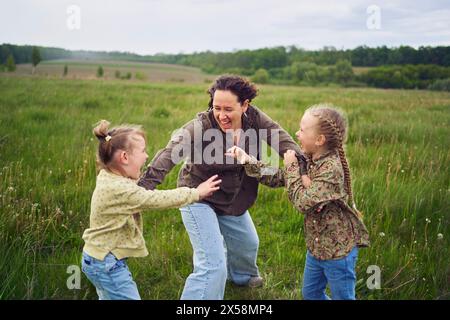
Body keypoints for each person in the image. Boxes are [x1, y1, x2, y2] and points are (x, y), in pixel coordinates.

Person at [138, 75, 303, 300]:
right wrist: (142, 190)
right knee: (213, 264)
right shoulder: (201, 125)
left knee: (248, 244)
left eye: (228, 109)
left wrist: (303, 166)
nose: (221, 115)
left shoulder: (255, 120)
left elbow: (282, 139)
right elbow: (170, 153)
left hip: (234, 197)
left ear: (245, 105)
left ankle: (243, 277)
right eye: (217, 108)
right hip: (199, 195)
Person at [227, 104, 370, 300]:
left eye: (302, 130)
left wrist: (293, 167)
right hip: (317, 247)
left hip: (339, 253)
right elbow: (278, 176)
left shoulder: (331, 171)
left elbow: (302, 202)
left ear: (320, 140)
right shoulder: (309, 159)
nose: (297, 133)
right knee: (310, 295)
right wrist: (247, 160)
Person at [81, 120, 221, 300]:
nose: (147, 156)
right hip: (107, 264)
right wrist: (196, 193)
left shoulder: (108, 176)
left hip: (97, 257)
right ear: (124, 157)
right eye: (142, 151)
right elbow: (158, 199)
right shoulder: (122, 190)